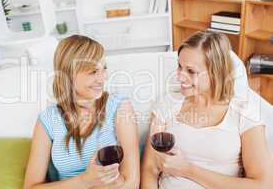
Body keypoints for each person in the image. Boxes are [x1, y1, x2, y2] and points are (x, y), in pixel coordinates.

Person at [141, 31, 273, 189]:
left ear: (215, 73)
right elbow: (150, 168)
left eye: (191, 71)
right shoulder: (167, 103)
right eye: (179, 66)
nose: (180, 77)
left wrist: (188, 170)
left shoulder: (244, 112)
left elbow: (263, 184)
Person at [24, 35, 140, 189]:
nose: (102, 79)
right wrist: (84, 181)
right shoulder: (48, 119)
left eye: (104, 68)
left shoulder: (118, 107)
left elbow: (131, 182)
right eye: (93, 72)